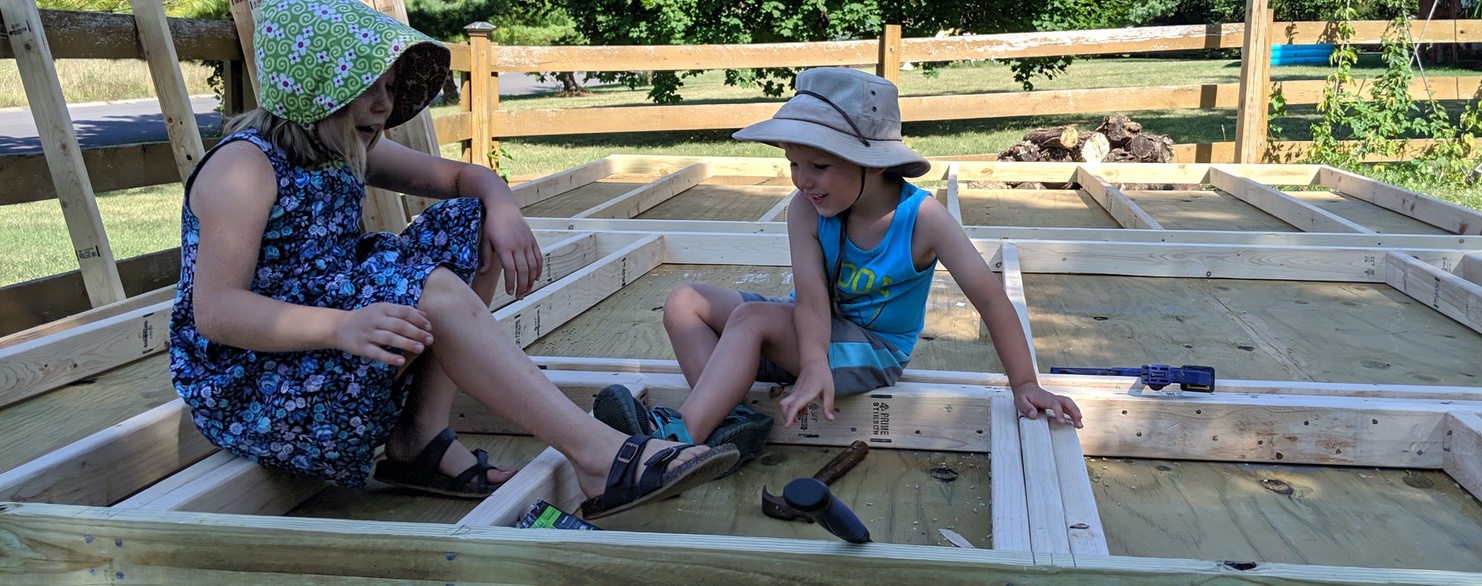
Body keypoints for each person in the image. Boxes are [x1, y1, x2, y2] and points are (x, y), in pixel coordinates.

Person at [168, 0, 735, 519]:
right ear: (316, 88)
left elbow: (468, 178)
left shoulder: (341, 146)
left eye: (390, 87)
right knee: (427, 284)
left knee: (474, 219)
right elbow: (216, 313)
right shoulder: (243, 169)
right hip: (257, 393)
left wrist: (503, 206)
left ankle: (420, 436)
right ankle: (598, 456)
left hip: (328, 348)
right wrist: (342, 326)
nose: (384, 104)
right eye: (369, 86)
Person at [593, 68, 1083, 473]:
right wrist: (812, 362)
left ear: (871, 163)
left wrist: (1024, 383)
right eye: (793, 163)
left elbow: (992, 301)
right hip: (814, 332)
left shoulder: (923, 219)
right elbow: (809, 299)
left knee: (751, 321)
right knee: (684, 302)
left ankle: (677, 442)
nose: (802, 180)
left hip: (874, 351)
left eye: (818, 166)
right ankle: (727, 426)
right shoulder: (805, 207)